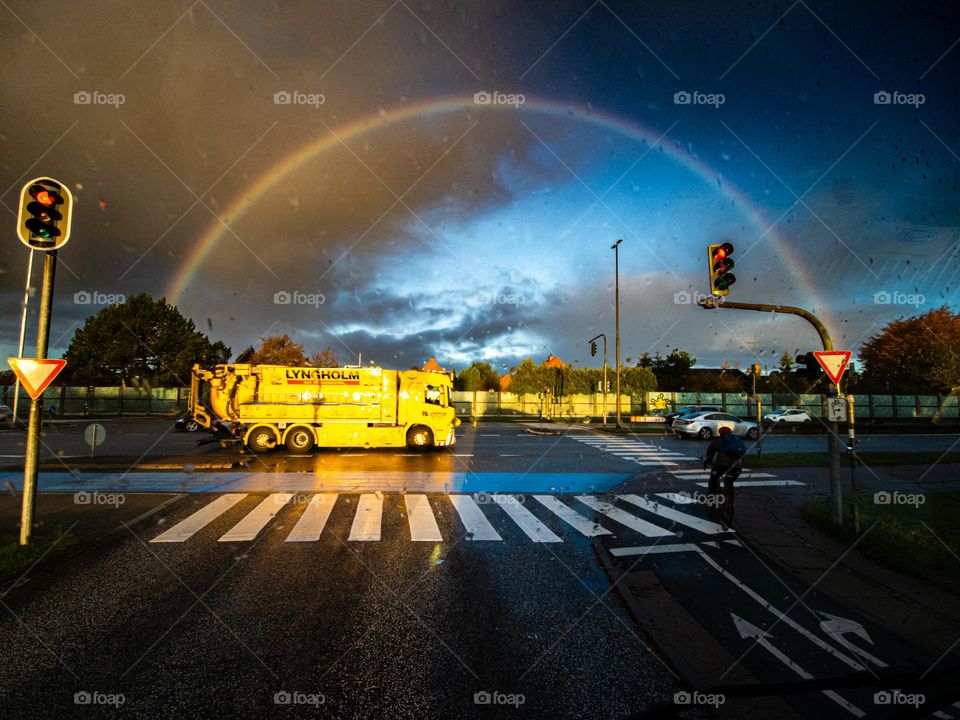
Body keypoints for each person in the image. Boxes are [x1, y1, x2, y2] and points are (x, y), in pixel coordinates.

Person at [704, 426, 746, 519]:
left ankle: (711, 500)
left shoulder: (717, 442)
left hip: (722, 466)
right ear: (730, 432)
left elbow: (709, 455)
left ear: (720, 434)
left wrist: (707, 462)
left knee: (713, 479)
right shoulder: (737, 440)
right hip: (737, 467)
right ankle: (731, 503)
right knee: (729, 482)